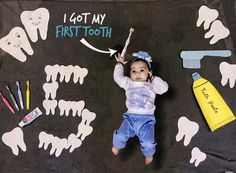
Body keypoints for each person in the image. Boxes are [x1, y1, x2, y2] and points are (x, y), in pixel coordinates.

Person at [111, 51, 169, 164]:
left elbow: (164, 88)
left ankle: (149, 155)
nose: (137, 73)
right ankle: (117, 145)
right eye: (133, 71)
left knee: (148, 143)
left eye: (142, 70)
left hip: (147, 121)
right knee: (120, 135)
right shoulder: (128, 83)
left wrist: (154, 78)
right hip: (130, 118)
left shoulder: (152, 85)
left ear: (149, 72)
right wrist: (119, 65)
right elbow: (118, 78)